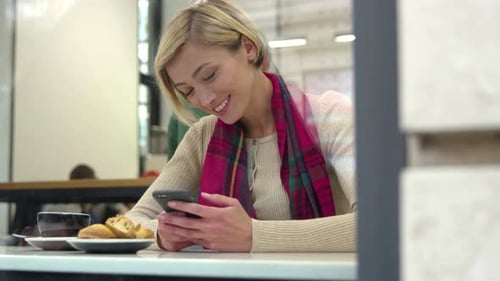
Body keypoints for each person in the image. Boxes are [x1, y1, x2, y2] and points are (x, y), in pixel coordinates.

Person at [126, 0, 356, 252]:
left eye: (210, 75)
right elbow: (133, 222)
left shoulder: (329, 116)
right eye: (187, 91)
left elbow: (379, 221)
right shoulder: (202, 135)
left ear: (248, 47)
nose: (204, 100)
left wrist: (253, 235)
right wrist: (163, 236)